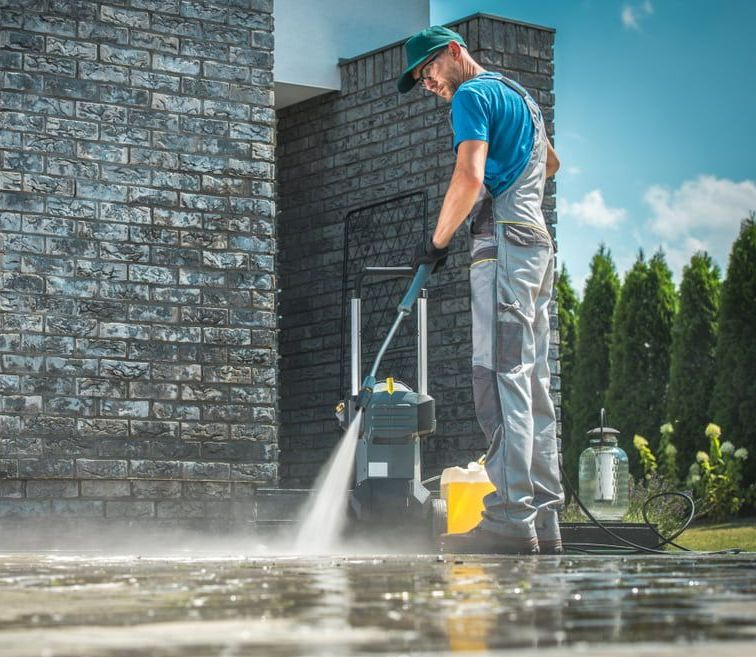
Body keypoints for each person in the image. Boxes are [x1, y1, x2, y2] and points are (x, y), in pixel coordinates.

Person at [399, 26, 564, 554]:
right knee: (531, 382)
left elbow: (468, 179)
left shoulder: (470, 95)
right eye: (420, 78)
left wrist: (436, 241)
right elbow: (552, 165)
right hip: (536, 245)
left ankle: (511, 518)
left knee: (499, 377)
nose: (427, 82)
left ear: (454, 51)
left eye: (427, 68)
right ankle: (544, 518)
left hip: (506, 250)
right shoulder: (521, 98)